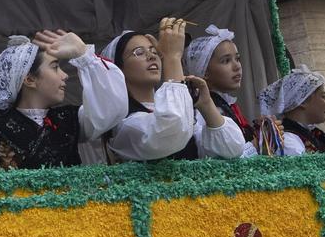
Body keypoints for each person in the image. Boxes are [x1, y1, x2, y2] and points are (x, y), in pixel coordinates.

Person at [0, 30, 126, 169]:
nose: (65, 75)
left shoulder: (72, 119)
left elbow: (112, 110)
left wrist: (84, 54)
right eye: (55, 67)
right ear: (29, 79)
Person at [100, 21, 247, 161]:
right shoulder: (127, 126)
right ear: (118, 69)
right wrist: (172, 57)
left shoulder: (179, 114)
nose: (151, 56)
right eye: (138, 52)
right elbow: (171, 128)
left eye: (153, 51)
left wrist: (207, 105)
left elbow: (233, 150)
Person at [187, 26, 287, 155]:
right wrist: (257, 145)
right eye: (226, 61)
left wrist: (263, 133)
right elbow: (217, 161)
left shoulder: (225, 104)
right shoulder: (202, 110)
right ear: (204, 71)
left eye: (238, 59)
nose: (237, 66)